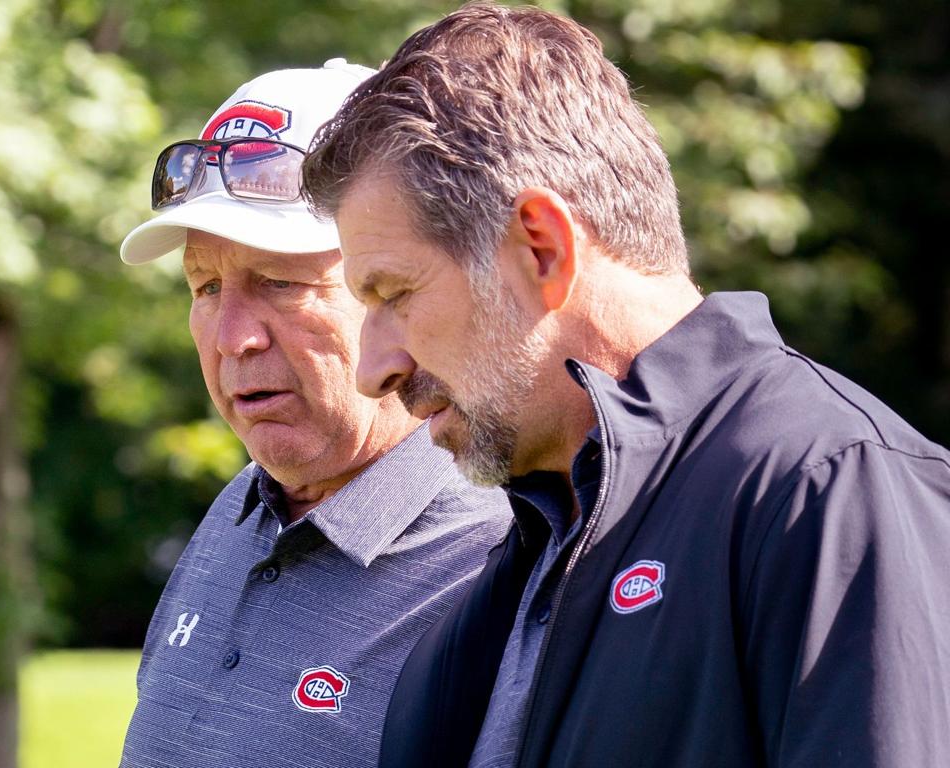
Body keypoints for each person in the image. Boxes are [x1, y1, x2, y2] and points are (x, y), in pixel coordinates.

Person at [302, 5, 950, 768]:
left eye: (393, 294)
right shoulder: (532, 546)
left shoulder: (828, 487)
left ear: (540, 248)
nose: (373, 368)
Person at [115, 59, 511, 768]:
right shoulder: (240, 509)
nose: (235, 336)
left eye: (279, 282)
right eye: (205, 288)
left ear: (392, 288)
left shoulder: (503, 556)